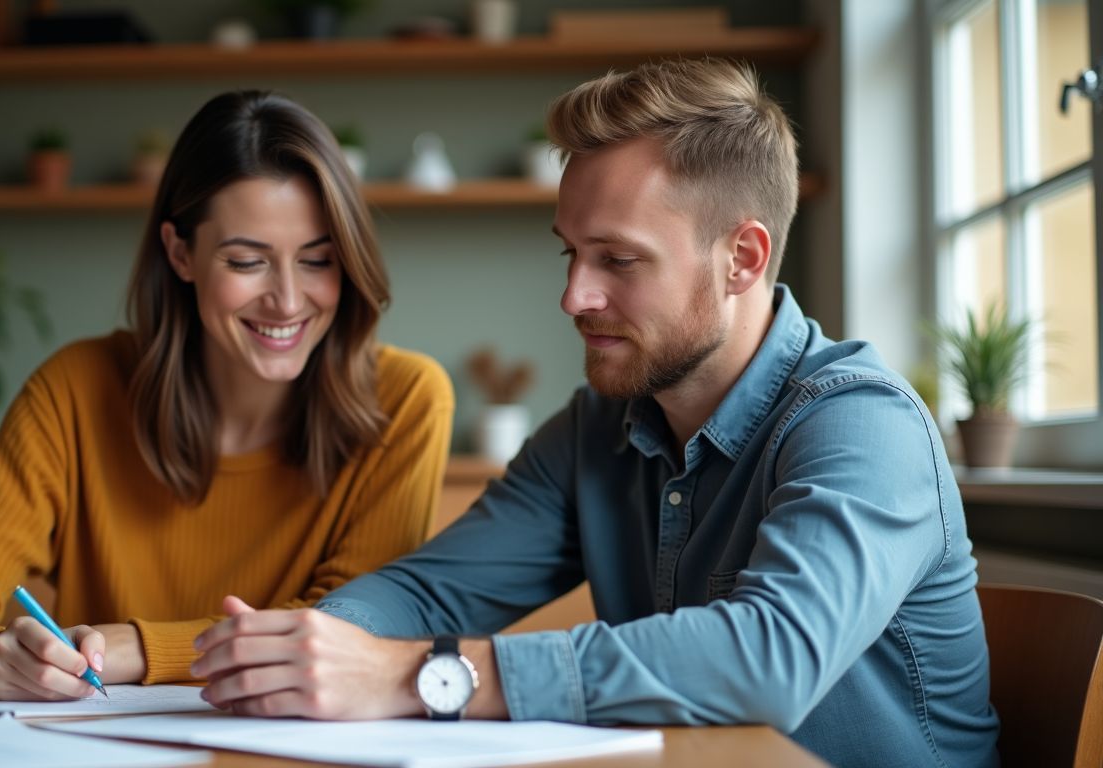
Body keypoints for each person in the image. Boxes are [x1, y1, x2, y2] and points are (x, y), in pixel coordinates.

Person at [190, 60, 1000, 766]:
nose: (574, 296)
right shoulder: (594, 431)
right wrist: (312, 648)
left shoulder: (862, 425)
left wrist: (417, 677)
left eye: (618, 260)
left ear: (742, 258)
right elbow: (432, 595)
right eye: (570, 253)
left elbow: (769, 661)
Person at [0, 91, 454, 701]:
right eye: (247, 261)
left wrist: (137, 648)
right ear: (181, 253)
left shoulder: (407, 400)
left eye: (317, 260)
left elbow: (352, 629)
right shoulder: (75, 390)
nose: (287, 299)